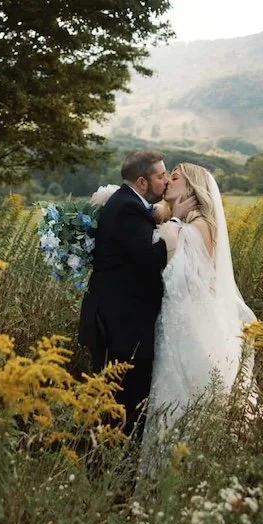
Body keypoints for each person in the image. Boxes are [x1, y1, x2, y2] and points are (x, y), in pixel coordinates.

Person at [142, 163, 257, 465]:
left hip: (185, 328)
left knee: (181, 403)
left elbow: (179, 282)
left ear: (191, 188)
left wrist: (171, 236)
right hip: (176, 323)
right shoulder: (179, 222)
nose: (167, 180)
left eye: (175, 176)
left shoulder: (198, 227)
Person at [78, 150, 196, 437]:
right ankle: (109, 472)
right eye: (160, 176)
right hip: (119, 329)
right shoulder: (128, 207)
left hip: (123, 325)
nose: (166, 180)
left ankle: (115, 469)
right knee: (119, 407)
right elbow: (151, 260)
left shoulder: (131, 204)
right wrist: (176, 226)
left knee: (121, 405)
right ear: (142, 182)